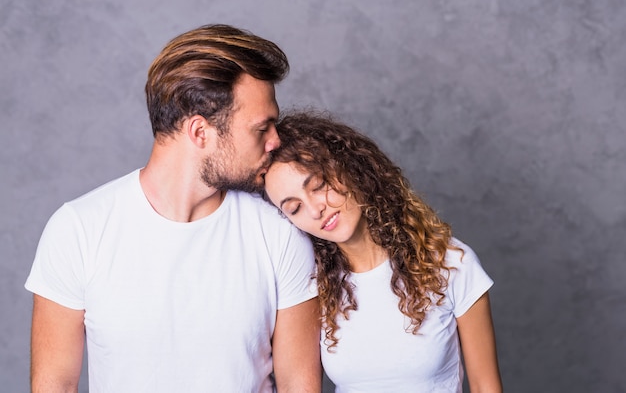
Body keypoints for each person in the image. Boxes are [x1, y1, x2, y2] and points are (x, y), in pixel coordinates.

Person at [25, 25, 321, 392]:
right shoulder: (78, 230)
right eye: (262, 128)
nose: (276, 141)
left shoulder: (280, 232)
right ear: (200, 132)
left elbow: (300, 385)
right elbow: (55, 385)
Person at [263, 110, 503, 393]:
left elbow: (485, 386)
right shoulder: (313, 287)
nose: (316, 210)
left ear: (350, 167)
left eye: (319, 185)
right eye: (295, 208)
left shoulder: (449, 263)